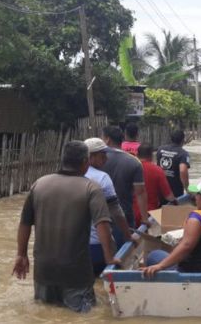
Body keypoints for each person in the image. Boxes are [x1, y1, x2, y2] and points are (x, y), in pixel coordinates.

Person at [12, 141, 116, 313]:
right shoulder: (91, 188)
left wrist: (21, 255)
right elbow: (102, 226)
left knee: (45, 314)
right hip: (75, 275)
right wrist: (110, 259)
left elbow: (24, 223)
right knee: (83, 316)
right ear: (85, 162)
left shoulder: (39, 184)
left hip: (43, 272)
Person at [140, 178, 201, 277]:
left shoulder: (197, 217)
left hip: (194, 274)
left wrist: (160, 266)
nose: (195, 198)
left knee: (154, 255)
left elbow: (186, 246)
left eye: (197, 195)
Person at [84, 138, 134, 276]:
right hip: (97, 245)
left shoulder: (72, 176)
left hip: (74, 245)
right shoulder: (102, 178)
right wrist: (128, 236)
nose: (106, 158)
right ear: (91, 157)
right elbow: (116, 212)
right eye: (102, 155)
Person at [102, 125, 148, 227]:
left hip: (100, 216)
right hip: (125, 215)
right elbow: (140, 193)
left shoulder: (97, 160)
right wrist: (145, 219)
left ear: (107, 140)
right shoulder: (134, 162)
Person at [133, 143, 177, 220]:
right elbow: (168, 196)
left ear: (137, 154)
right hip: (149, 214)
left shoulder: (130, 167)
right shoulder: (157, 170)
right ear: (152, 155)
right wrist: (176, 202)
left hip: (130, 213)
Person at [156, 129, 191, 198]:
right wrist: (187, 189)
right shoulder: (183, 154)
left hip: (160, 188)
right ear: (183, 140)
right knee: (173, 208)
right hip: (175, 191)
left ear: (171, 138)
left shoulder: (160, 149)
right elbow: (183, 170)